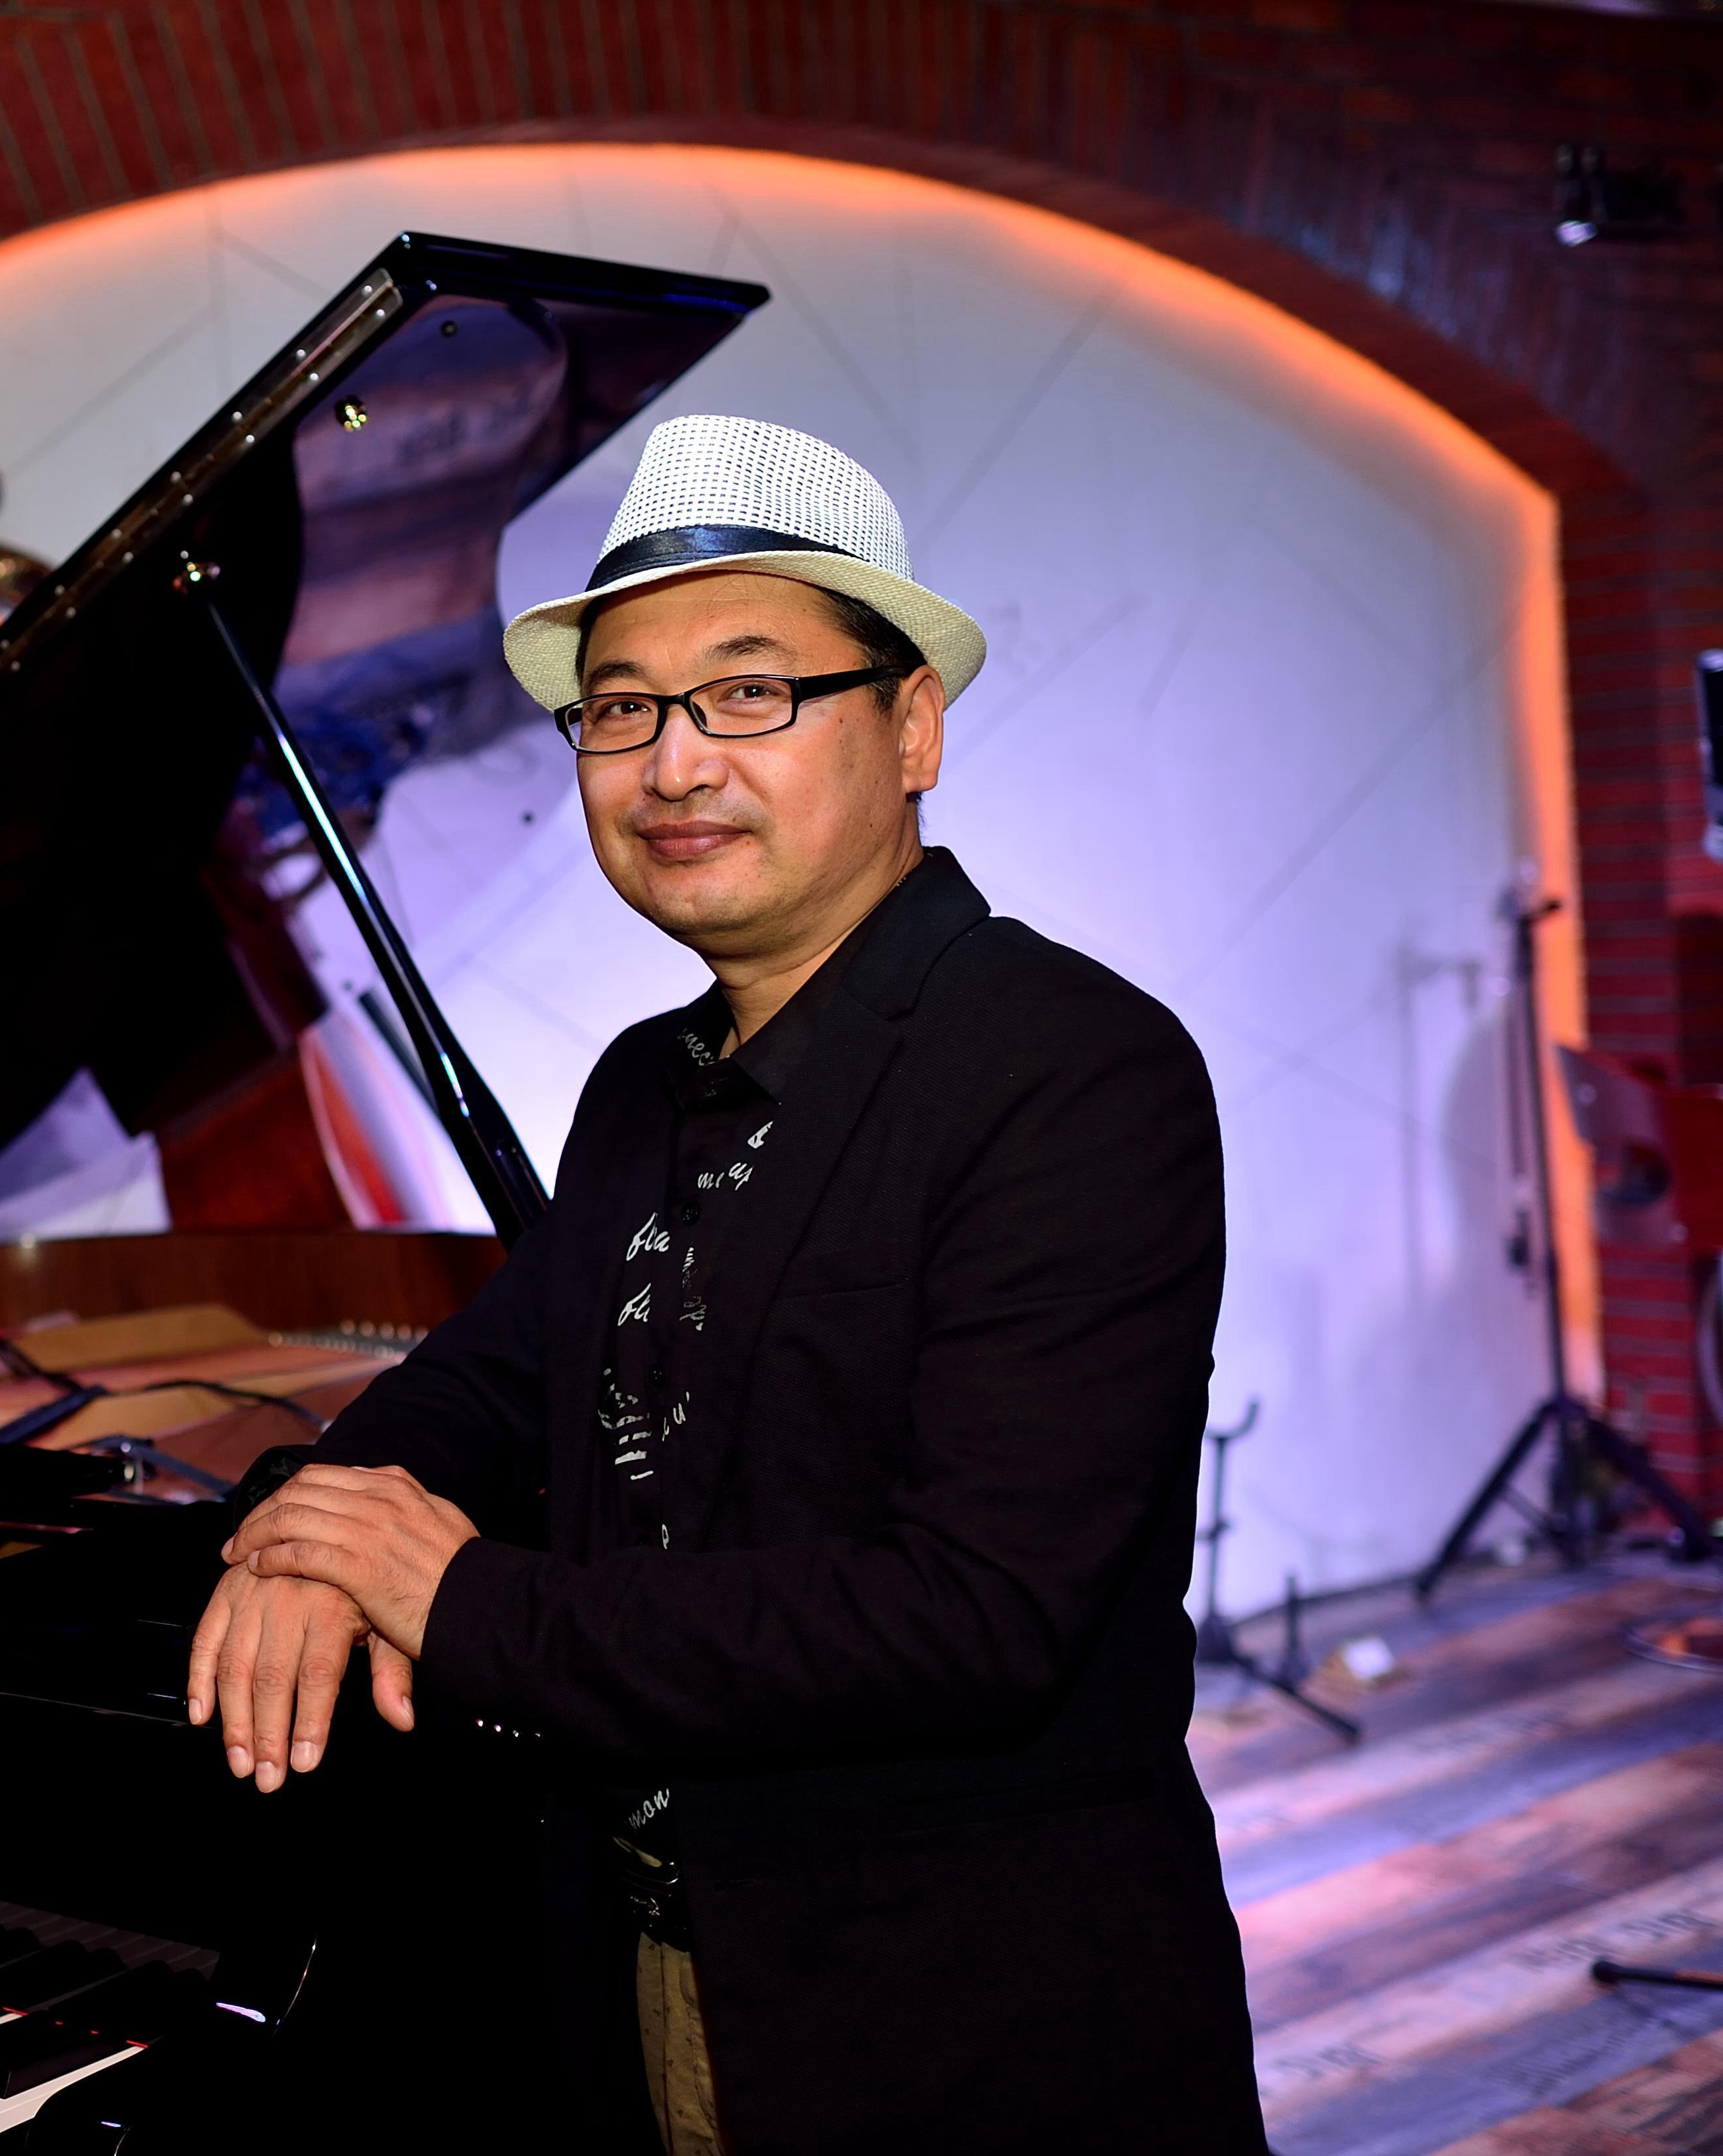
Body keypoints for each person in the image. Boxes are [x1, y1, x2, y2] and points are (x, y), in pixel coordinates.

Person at [183, 416, 1265, 2153]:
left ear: (913, 728)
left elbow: (971, 1615)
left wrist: (458, 1603)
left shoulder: (1074, 1071)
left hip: (956, 2021)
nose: (673, 763)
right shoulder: (645, 1083)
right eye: (621, 708)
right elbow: (497, 1377)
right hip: (638, 1975)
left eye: (750, 693)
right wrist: (315, 1521)